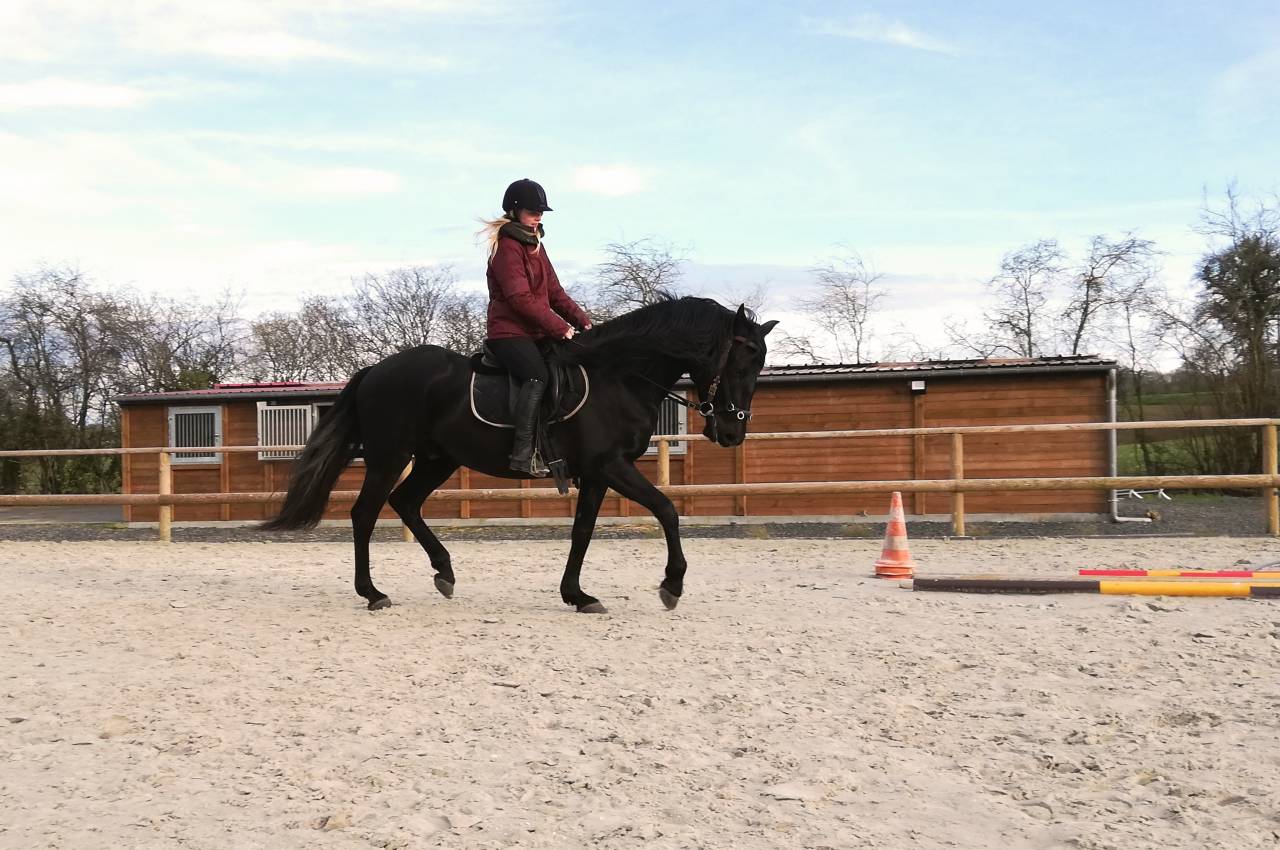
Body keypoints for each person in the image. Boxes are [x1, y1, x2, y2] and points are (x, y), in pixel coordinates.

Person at [483, 178, 592, 475]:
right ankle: (523, 453)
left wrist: (584, 322)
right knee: (537, 375)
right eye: (533, 210)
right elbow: (519, 298)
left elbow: (555, 293)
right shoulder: (508, 247)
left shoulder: (535, 246)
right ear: (515, 210)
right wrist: (560, 328)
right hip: (509, 333)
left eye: (541, 210)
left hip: (536, 333)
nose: (539, 215)